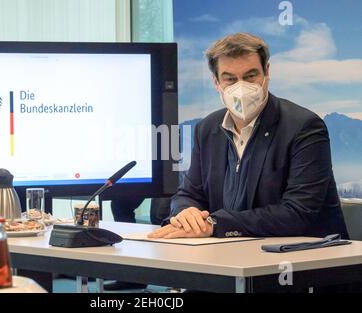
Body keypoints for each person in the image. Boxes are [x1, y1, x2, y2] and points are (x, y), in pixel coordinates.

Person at [149, 32, 348, 241]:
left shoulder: (303, 127)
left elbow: (297, 212)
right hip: (229, 258)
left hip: (305, 263)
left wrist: (215, 224)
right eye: (230, 79)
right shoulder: (207, 129)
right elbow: (189, 194)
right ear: (216, 82)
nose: (241, 87)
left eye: (250, 76)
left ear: (267, 72)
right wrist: (186, 213)